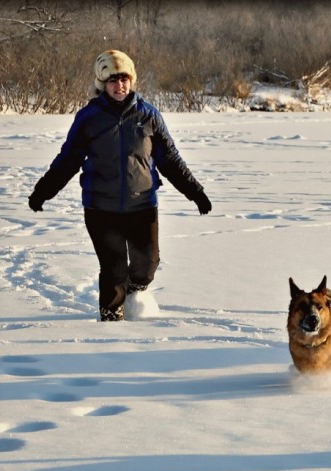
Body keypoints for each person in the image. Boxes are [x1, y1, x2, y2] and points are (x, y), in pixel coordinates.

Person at [28, 49, 212, 322]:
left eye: (124, 78)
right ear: (103, 84)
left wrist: (196, 192)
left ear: (132, 80)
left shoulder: (148, 115)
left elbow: (170, 159)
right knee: (113, 268)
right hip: (101, 207)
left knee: (147, 264)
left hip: (142, 204)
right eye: (113, 80)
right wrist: (43, 191)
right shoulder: (89, 118)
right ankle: (111, 324)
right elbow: (68, 159)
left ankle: (135, 295)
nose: (119, 85)